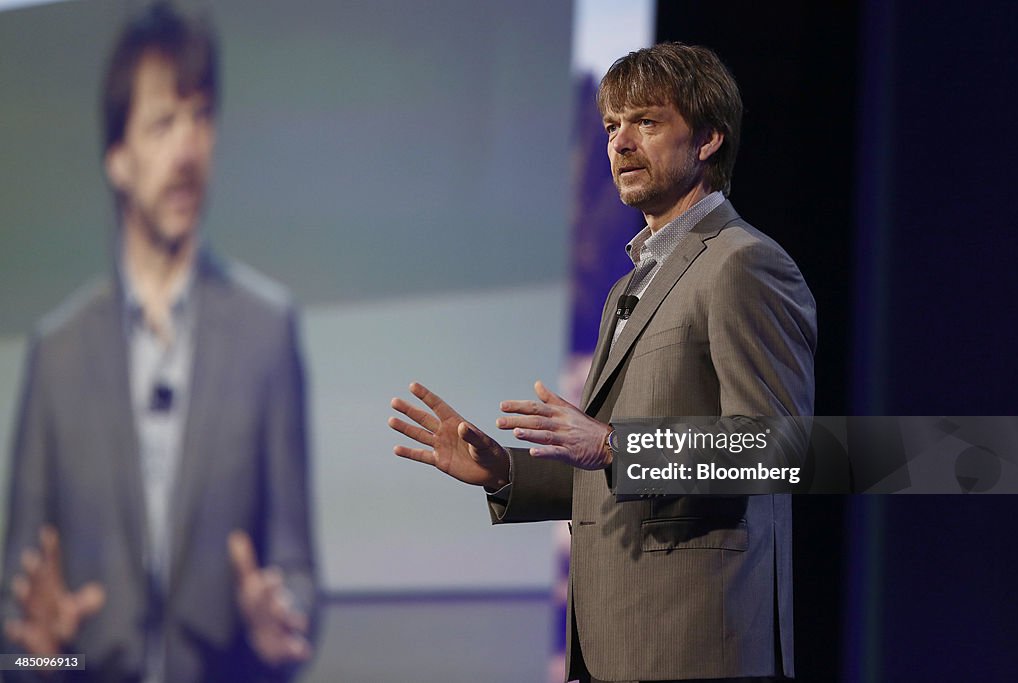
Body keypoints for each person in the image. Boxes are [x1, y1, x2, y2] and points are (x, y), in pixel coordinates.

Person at [389, 43, 815, 682]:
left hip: (695, 644)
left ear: (707, 138)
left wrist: (615, 445)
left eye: (646, 122)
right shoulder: (629, 285)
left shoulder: (741, 264)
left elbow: (778, 451)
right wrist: (506, 471)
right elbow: (608, 471)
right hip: (614, 643)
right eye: (612, 126)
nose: (620, 144)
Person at [0, 4, 317, 681]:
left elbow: (299, 578)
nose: (188, 149)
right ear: (118, 157)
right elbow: (15, 635)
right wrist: (42, 654)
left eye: (201, 118)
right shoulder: (56, 355)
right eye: (163, 123)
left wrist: (279, 619)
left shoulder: (268, 333)